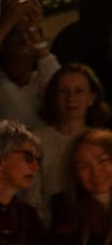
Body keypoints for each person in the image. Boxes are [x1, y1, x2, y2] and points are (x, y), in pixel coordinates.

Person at [27, 64, 110, 222]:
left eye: (79, 91)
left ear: (91, 98)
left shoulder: (103, 141)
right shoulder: (35, 141)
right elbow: (32, 199)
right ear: (54, 97)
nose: (71, 98)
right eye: (63, 91)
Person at [0, 0, 58, 128]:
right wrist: (8, 20)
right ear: (3, 44)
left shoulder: (43, 80)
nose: (23, 37)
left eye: (28, 33)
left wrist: (34, 32)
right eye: (15, 33)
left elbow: (60, 83)